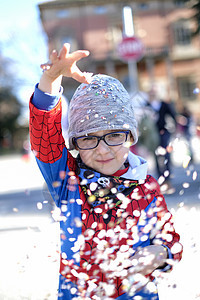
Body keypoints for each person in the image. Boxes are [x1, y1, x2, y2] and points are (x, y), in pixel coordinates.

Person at [29, 43, 182, 300]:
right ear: (75, 143)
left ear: (130, 136)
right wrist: (50, 80)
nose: (102, 151)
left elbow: (171, 241)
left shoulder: (147, 186)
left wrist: (159, 253)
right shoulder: (68, 181)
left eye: (114, 135)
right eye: (89, 139)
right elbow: (44, 136)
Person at [147, 88, 177, 193]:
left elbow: (173, 115)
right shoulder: (146, 105)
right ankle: (161, 180)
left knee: (166, 156)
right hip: (151, 135)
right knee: (156, 157)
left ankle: (168, 180)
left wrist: (174, 128)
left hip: (164, 132)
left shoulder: (163, 104)